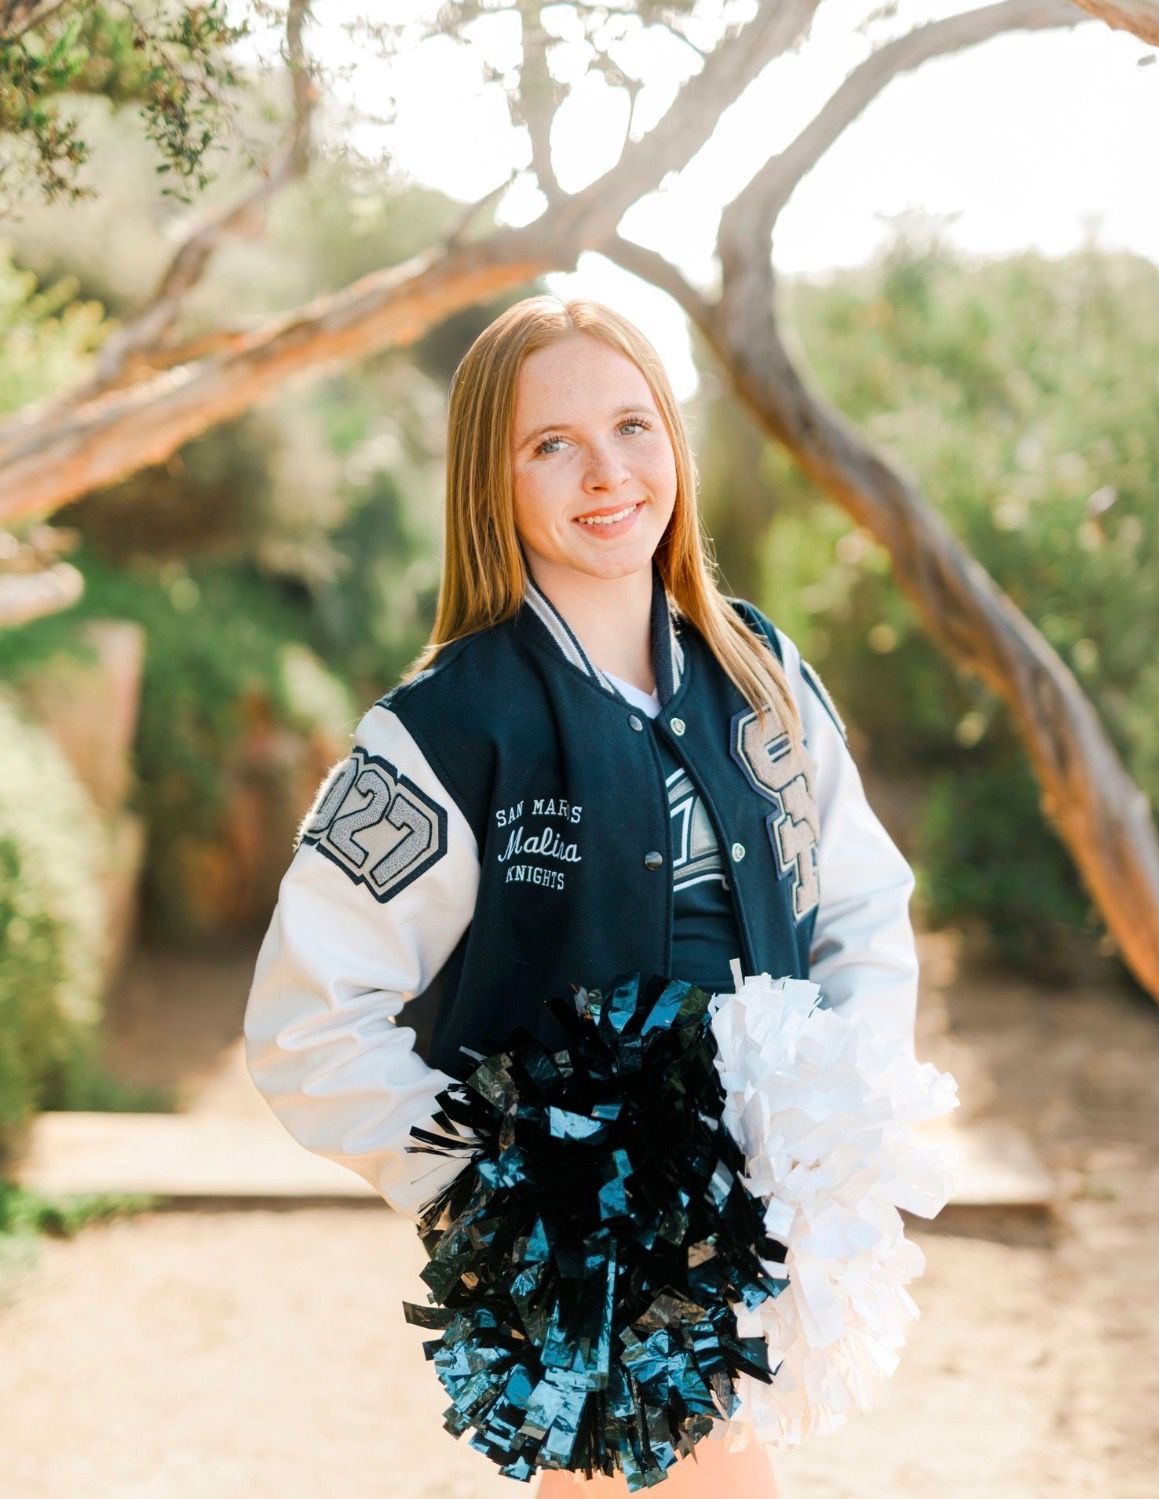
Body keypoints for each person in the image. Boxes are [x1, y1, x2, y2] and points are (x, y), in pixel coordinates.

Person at [243, 295, 920, 1497]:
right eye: (550, 442)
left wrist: (839, 1132)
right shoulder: (442, 729)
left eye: (632, 424)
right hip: (598, 1258)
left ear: (676, 441)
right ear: (487, 482)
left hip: (768, 1227)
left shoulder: (762, 671)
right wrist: (493, 1193)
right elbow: (309, 1019)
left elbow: (861, 910)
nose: (605, 471)